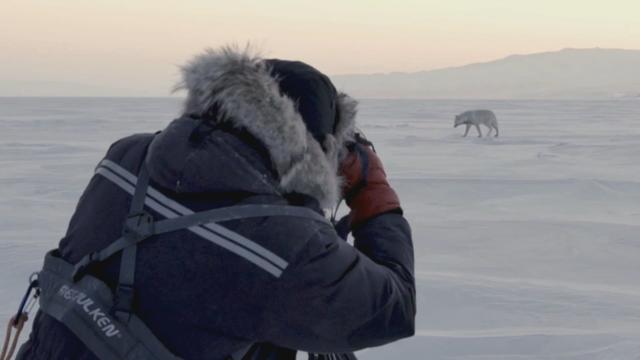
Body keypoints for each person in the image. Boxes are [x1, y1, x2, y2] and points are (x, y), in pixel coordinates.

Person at [16, 46, 415, 360]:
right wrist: (372, 193)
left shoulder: (124, 159)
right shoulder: (285, 247)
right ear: (315, 150)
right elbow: (393, 308)